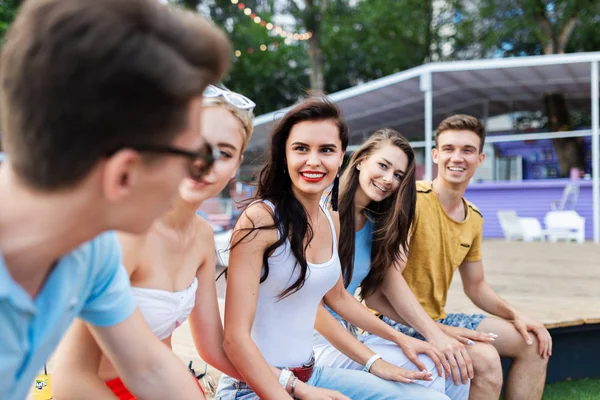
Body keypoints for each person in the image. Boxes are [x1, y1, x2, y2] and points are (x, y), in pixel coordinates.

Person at [0, 1, 231, 399]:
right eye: (196, 156)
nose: (199, 174)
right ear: (124, 174)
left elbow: (150, 368)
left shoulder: (92, 250)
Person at [216, 97, 449, 400]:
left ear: (342, 157)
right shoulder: (260, 219)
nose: (314, 161)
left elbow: (337, 298)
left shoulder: (331, 216)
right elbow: (234, 339)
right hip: (254, 386)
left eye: (325, 150)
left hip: (313, 373)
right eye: (301, 149)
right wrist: (295, 391)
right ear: (284, 154)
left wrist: (388, 350)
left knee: (431, 398)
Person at [52, 87, 255, 398]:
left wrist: (288, 385)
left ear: (236, 166)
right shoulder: (125, 233)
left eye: (224, 153)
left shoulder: (201, 235)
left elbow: (213, 349)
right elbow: (69, 378)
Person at [368, 115, 552, 400]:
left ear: (480, 158)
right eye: (449, 148)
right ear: (435, 154)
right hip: (392, 319)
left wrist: (517, 315)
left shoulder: (474, 217)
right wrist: (437, 332)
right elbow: (386, 281)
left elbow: (476, 286)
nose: (457, 157)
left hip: (437, 315)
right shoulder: (411, 199)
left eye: (467, 150)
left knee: (533, 343)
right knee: (485, 358)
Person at [312, 128, 470, 400]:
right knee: (433, 379)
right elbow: (326, 302)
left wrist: (435, 334)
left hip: (352, 336)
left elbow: (383, 287)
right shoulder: (326, 213)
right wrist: (402, 339)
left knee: (447, 366)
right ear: (361, 160)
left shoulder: (375, 223)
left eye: (398, 175)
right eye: (383, 166)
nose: (388, 179)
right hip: (317, 343)